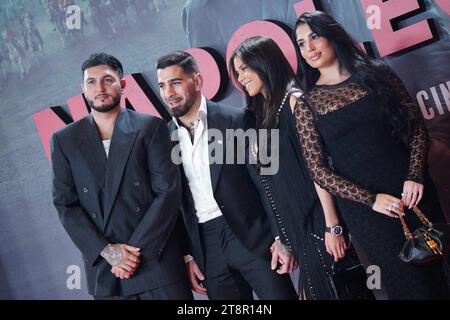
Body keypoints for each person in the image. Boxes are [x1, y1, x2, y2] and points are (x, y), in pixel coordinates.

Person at [293, 11, 450, 299]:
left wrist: (415, 177)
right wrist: (371, 200)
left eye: (314, 37)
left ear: (332, 35)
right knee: (411, 288)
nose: (308, 49)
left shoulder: (378, 75)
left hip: (415, 194)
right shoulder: (308, 104)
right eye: (301, 43)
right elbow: (319, 171)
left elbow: (415, 127)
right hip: (370, 214)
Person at [229, 36, 365, 300]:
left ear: (264, 62)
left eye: (245, 68)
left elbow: (319, 168)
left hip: (319, 229)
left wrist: (333, 227)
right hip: (300, 237)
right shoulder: (262, 115)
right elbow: (270, 187)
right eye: (237, 72)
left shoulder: (295, 102)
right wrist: (282, 240)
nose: (240, 77)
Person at [156, 51, 297, 300]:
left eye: (176, 82)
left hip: (253, 236)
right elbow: (172, 205)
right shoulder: (162, 140)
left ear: (197, 82)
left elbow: (265, 183)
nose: (169, 93)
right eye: (162, 86)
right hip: (206, 246)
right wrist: (188, 254)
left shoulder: (238, 120)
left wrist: (281, 236)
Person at [51, 53, 192, 300]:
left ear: (123, 84)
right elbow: (66, 204)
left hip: (157, 266)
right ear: (83, 89)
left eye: (107, 80)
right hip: (106, 272)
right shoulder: (65, 140)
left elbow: (168, 193)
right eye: (92, 82)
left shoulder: (150, 127)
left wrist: (131, 255)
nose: (100, 88)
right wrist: (108, 252)